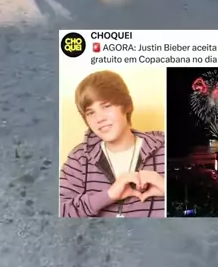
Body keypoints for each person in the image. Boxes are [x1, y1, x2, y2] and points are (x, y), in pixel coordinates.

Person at [59, 71, 165, 218]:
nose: (99, 118)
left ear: (126, 106)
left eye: (106, 106)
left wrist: (166, 187)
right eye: (90, 112)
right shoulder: (79, 159)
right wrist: (108, 195)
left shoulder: (164, 151)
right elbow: (59, 212)